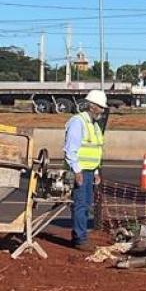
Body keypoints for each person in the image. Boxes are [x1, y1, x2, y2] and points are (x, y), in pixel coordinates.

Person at [63, 89, 107, 251]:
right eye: (100, 107)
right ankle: (80, 239)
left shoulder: (94, 125)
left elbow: (95, 149)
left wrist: (95, 171)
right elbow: (70, 149)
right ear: (92, 106)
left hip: (89, 171)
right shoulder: (78, 122)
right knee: (80, 204)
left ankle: (80, 236)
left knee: (86, 204)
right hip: (80, 171)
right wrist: (77, 171)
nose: (102, 111)